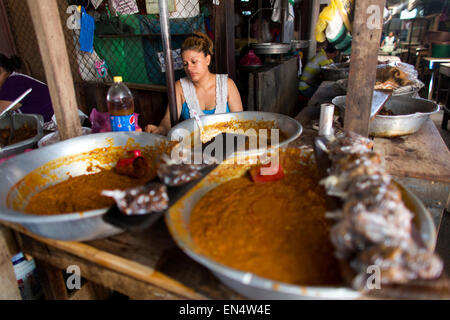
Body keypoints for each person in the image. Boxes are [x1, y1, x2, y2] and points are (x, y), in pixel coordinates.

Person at [145, 32, 243, 135]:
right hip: (193, 147)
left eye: (194, 61)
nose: (189, 68)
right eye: (185, 64)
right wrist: (160, 129)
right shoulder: (180, 87)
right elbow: (168, 120)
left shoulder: (227, 85)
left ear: (207, 60)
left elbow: (240, 123)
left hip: (227, 146)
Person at [0, 54, 54, 122]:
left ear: (7, 71)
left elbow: (2, 109)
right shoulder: (13, 80)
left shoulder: (14, 81)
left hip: (56, 119)